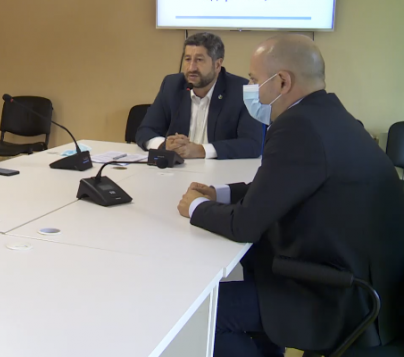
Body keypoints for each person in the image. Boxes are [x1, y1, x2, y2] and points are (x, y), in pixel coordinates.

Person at [177, 34, 404, 356]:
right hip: (365, 288)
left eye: (254, 80)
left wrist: (196, 206)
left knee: (201, 315)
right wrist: (220, 193)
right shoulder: (332, 116)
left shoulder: (298, 126)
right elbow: (282, 187)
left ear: (282, 82)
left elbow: (244, 226)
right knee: (254, 262)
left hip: (337, 297)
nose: (250, 88)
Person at [135, 32, 263, 159]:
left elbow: (253, 144)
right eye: (188, 59)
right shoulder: (172, 86)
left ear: (217, 64)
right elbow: (145, 130)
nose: (191, 68)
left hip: (220, 169)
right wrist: (164, 145)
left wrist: (202, 150)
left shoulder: (242, 91)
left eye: (199, 60)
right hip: (178, 168)